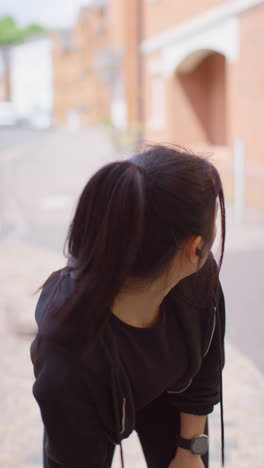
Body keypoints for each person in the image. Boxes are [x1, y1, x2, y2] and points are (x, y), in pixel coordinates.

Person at [30, 145, 226, 468]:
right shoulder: (66, 358)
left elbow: (206, 367)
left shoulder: (197, 278)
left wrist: (190, 450)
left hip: (170, 391)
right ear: (195, 247)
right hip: (88, 410)